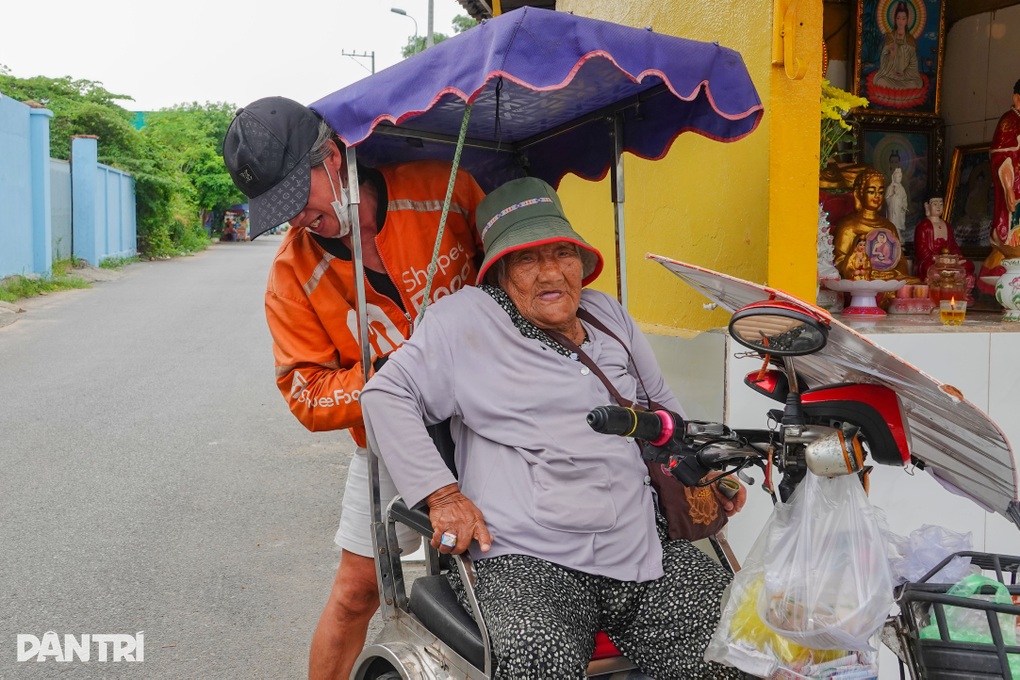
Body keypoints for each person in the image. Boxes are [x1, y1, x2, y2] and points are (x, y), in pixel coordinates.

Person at [361, 177, 747, 679]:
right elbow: (384, 394)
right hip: (525, 556)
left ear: (582, 262)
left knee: (737, 645)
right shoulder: (463, 320)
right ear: (500, 272)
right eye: (527, 259)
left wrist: (707, 471)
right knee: (537, 658)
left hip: (638, 544)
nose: (550, 272)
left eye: (563, 252)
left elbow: (664, 416)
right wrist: (443, 496)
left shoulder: (608, 315)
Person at [221, 96, 485, 680]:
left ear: (333, 157)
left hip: (494, 419)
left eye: (298, 200)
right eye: (279, 211)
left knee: (501, 568)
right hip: (390, 440)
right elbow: (306, 393)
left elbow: (513, 273)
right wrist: (395, 372)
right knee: (356, 592)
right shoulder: (291, 273)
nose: (295, 222)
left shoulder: (444, 189)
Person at [833, 167, 912, 282]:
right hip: (862, 278)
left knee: (912, 282)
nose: (877, 196)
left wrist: (891, 273)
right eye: (871, 191)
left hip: (887, 280)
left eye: (880, 192)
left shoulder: (888, 226)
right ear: (859, 193)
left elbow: (900, 262)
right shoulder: (848, 226)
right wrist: (866, 270)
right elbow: (838, 263)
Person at [978, 78, 1020, 293]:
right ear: (1016, 98)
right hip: (1014, 191)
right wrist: (1008, 187)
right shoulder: (1009, 121)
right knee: (1010, 239)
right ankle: (1004, 287)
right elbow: (1001, 157)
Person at [914, 196, 974, 283]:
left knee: (968, 265)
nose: (938, 207)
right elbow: (922, 250)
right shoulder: (923, 226)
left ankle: (958, 285)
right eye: (935, 204)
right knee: (928, 267)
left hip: (949, 261)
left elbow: (953, 246)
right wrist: (938, 259)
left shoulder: (947, 225)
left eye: (941, 204)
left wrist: (956, 257)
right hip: (932, 261)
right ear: (927, 206)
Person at [873, 2, 922, 91]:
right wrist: (891, 55)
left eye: (903, 19)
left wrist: (904, 73)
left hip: (906, 78)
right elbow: (883, 60)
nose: (900, 21)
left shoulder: (910, 39)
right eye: (898, 18)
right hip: (890, 75)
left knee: (916, 83)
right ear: (895, 20)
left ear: (907, 21)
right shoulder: (890, 36)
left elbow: (913, 65)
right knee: (879, 81)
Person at [885, 167, 908, 233]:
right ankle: (892, 233)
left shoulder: (902, 188)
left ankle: (898, 233)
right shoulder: (890, 187)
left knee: (898, 222)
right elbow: (886, 198)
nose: (899, 178)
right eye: (898, 177)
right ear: (894, 177)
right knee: (892, 221)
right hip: (892, 209)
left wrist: (903, 205)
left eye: (900, 177)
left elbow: (904, 198)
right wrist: (892, 195)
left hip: (899, 209)